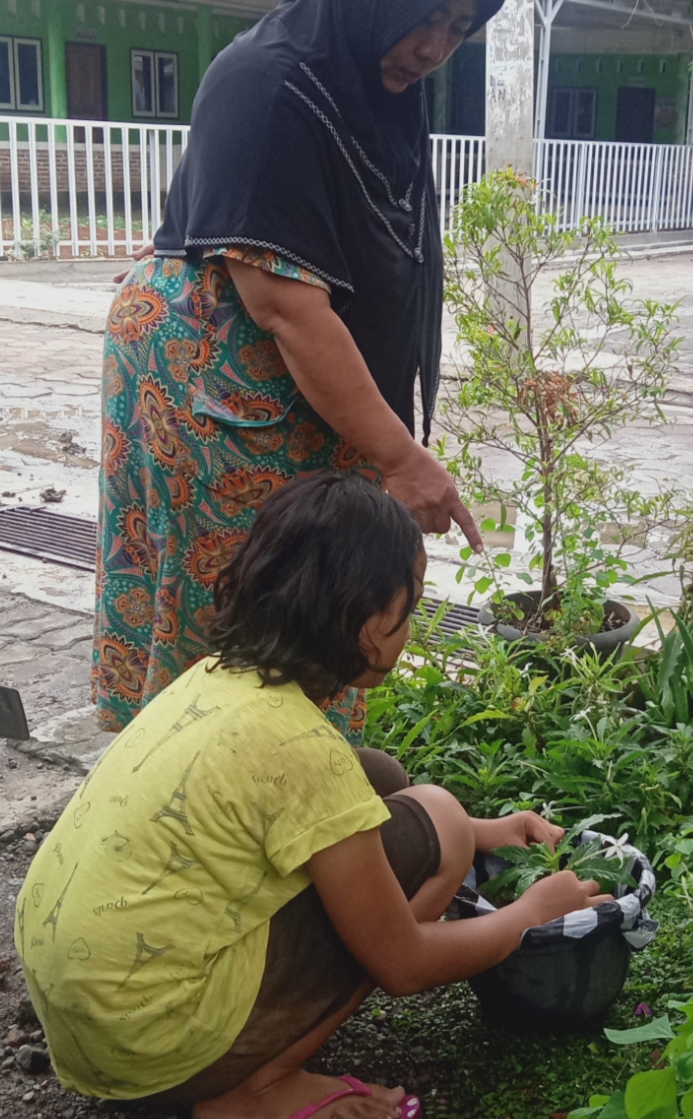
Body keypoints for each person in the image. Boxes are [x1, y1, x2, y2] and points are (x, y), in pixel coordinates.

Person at [16, 474, 612, 1119]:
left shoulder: (212, 679)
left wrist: (481, 828)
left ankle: (214, 1063)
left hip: (85, 1022)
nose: (411, 626)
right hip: (159, 1051)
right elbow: (404, 967)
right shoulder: (300, 747)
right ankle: (256, 1091)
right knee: (434, 817)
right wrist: (530, 911)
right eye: (407, 608)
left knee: (380, 776)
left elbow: (337, 802)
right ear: (361, 616)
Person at [93, 0, 507, 734]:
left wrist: (388, 442)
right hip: (216, 383)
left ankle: (302, 801)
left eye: (457, 29)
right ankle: (196, 807)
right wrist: (401, 457)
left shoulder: (378, 90)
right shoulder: (268, 83)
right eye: (423, 15)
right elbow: (283, 305)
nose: (434, 46)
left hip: (304, 383)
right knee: (240, 603)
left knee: (319, 599)